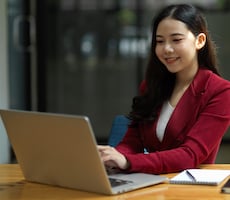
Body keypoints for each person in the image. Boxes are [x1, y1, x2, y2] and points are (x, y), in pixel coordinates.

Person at [98, 4, 230, 174]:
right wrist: (112, 158)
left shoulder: (221, 91)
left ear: (200, 41)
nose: (166, 49)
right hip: (149, 182)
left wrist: (128, 161)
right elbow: (133, 141)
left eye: (176, 40)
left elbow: (189, 156)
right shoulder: (152, 85)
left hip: (189, 189)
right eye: (160, 41)